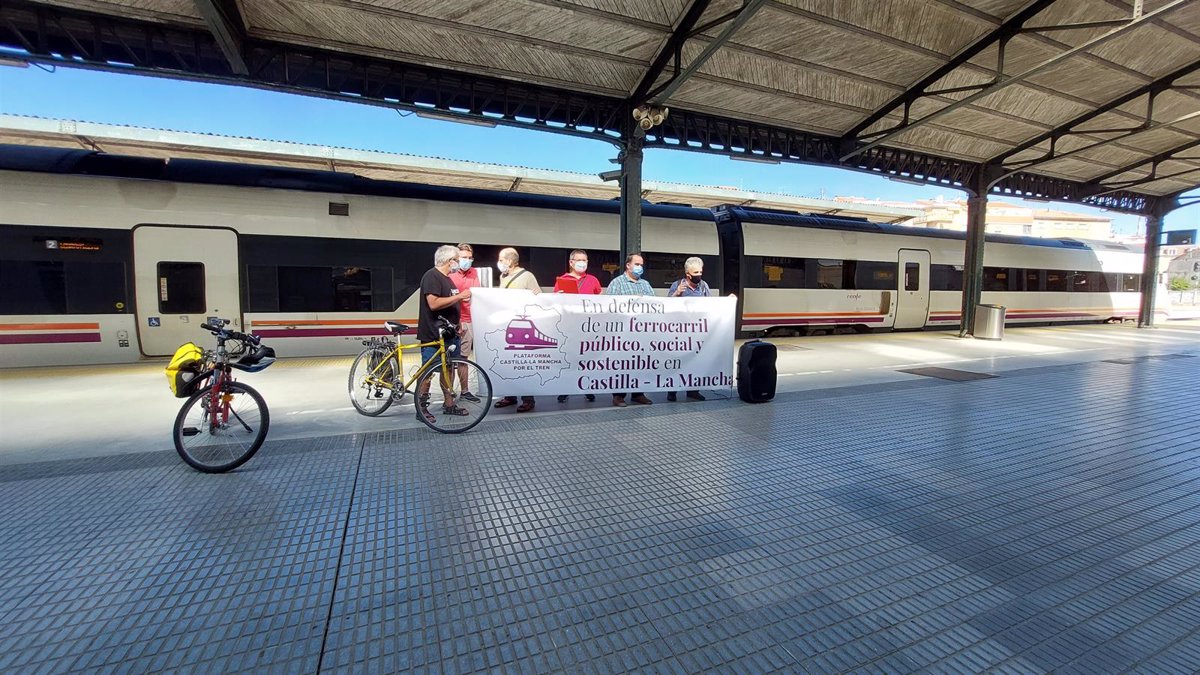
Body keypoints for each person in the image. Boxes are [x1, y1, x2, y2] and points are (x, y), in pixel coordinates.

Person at [416, 245, 471, 423]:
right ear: (449, 261)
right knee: (428, 372)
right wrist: (460, 296)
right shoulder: (431, 276)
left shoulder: (447, 279)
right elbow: (433, 303)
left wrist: (458, 322)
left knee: (448, 369)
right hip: (433, 334)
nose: (459, 263)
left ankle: (449, 404)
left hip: (449, 333)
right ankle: (421, 408)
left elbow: (450, 303)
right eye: (457, 259)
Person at [493, 247, 541, 413]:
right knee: (508, 362)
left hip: (523, 324)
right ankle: (510, 395)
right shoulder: (503, 276)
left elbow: (538, 297)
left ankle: (528, 399)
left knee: (523, 363)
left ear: (510, 261)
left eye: (501, 259)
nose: (499, 263)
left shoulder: (527, 276)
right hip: (508, 324)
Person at [604, 252, 655, 407]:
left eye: (641, 265)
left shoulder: (645, 285)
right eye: (637, 264)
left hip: (642, 332)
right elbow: (609, 306)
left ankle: (638, 393)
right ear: (628, 265)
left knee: (640, 363)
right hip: (623, 332)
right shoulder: (617, 283)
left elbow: (655, 305)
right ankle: (618, 395)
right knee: (621, 363)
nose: (640, 267)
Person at [554, 249, 601, 403]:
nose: (582, 263)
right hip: (569, 326)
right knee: (568, 359)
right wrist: (557, 297)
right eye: (579, 260)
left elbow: (600, 299)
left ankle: (587, 388)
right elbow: (555, 302)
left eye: (585, 260)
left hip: (588, 327)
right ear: (571, 262)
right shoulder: (562, 280)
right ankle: (565, 389)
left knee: (587, 359)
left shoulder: (593, 280)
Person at [666, 256, 711, 402]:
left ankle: (693, 390)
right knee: (677, 362)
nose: (699, 275)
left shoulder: (703, 286)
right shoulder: (677, 285)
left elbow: (712, 305)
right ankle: (672, 391)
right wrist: (676, 294)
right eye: (696, 272)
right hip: (679, 332)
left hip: (697, 332)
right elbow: (666, 306)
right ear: (688, 275)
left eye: (700, 272)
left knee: (695, 361)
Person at [449, 242, 482, 403]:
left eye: (470, 258)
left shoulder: (474, 272)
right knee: (450, 360)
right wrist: (457, 321)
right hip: (453, 321)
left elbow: (476, 294)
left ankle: (465, 391)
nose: (467, 261)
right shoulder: (449, 273)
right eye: (464, 257)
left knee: (463, 358)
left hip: (469, 320)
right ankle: (448, 393)